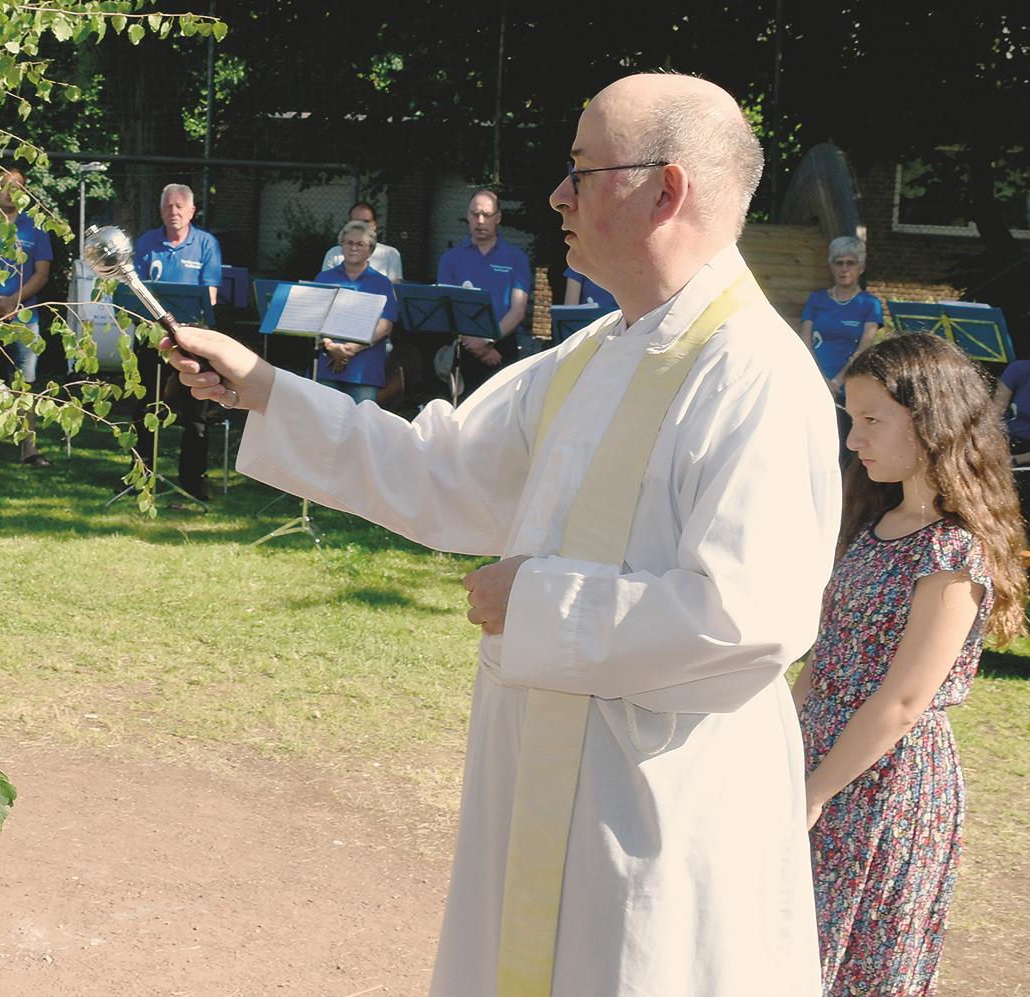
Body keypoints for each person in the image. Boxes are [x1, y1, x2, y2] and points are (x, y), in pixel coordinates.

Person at [165, 73, 840, 994]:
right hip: (542, 790)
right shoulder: (592, 356)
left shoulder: (755, 373)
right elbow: (435, 471)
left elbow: (751, 617)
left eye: (580, 170)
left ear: (667, 188)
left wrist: (541, 599)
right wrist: (264, 387)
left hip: (654, 820)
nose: (556, 196)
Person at [795, 333, 1025, 995]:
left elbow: (903, 700)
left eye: (872, 420)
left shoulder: (952, 551)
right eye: (851, 418)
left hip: (883, 783)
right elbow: (826, 657)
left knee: (855, 965)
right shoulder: (875, 522)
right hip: (822, 759)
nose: (853, 439)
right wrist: (778, 746)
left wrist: (815, 791)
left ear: (930, 424)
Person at [130, 182, 222, 501]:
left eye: (181, 205)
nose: (174, 211)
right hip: (152, 339)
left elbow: (209, 296)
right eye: (169, 206)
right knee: (146, 407)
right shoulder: (146, 244)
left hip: (193, 341)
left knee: (196, 416)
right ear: (161, 211)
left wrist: (188, 332)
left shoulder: (207, 245)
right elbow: (134, 292)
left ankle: (193, 483)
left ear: (192, 211)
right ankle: (141, 478)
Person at [0, 164, 55, 466]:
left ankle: (28, 448)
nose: (10, 192)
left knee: (25, 382)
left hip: (24, 315)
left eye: (17, 186)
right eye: (5, 185)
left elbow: (41, 273)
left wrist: (13, 301)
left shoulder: (36, 227)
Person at [435, 189, 530, 399]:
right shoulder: (451, 258)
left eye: (486, 215)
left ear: (498, 218)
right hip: (463, 348)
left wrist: (487, 342)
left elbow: (518, 309)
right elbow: (446, 307)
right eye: (474, 214)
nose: (480, 221)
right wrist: (477, 346)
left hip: (503, 346)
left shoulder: (516, 258)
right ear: (467, 216)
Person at [310, 219, 398, 404]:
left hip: (364, 370)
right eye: (349, 243)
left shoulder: (381, 283)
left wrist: (351, 349)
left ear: (370, 250)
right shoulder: (324, 278)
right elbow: (315, 318)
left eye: (360, 244)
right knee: (326, 425)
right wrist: (331, 347)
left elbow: (385, 325)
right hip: (328, 364)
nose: (353, 248)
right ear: (341, 246)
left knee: (362, 427)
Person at [799, 235, 884, 397]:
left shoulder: (871, 304)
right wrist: (820, 380)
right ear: (831, 267)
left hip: (850, 386)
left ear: (862, 267)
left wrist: (838, 381)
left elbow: (864, 347)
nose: (844, 269)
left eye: (851, 263)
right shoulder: (816, 299)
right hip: (813, 382)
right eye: (839, 263)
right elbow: (805, 344)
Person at [320, 201, 404, 282]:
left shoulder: (390, 253)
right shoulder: (334, 253)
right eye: (356, 221)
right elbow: (326, 287)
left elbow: (394, 289)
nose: (361, 225)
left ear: (375, 225)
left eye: (366, 221)